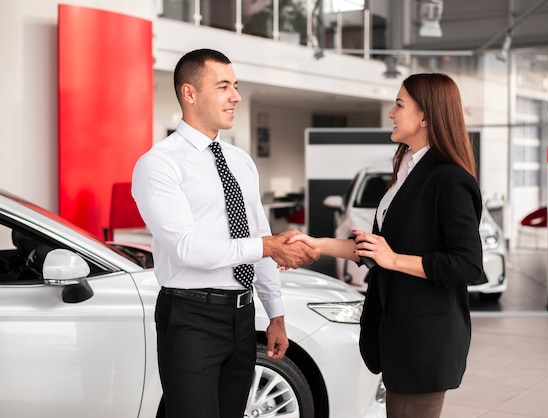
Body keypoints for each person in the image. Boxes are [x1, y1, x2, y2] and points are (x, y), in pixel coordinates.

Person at [132, 48, 318, 418]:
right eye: (223, 87)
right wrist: (265, 246)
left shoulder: (240, 160)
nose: (235, 96)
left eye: (235, 86)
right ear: (189, 93)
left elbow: (258, 233)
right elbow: (187, 248)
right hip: (190, 317)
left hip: (242, 317)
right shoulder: (159, 164)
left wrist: (275, 314)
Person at [286, 73, 483, 418]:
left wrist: (393, 259)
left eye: (399, 105)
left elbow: (466, 264)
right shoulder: (406, 170)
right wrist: (315, 244)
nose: (391, 113)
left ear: (425, 116)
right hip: (399, 331)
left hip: (425, 339)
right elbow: (374, 249)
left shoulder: (450, 179)